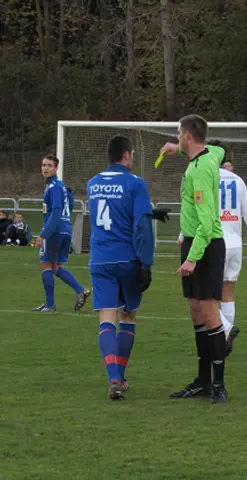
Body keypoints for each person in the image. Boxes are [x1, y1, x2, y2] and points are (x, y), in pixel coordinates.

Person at [161, 114, 229, 404]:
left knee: (210, 314)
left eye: (178, 133)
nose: (177, 136)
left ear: (187, 135)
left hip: (205, 246)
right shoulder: (210, 155)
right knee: (196, 312)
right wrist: (178, 151)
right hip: (193, 242)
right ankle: (202, 381)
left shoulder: (198, 171)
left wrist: (191, 258)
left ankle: (218, 386)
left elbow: (207, 221)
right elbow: (219, 150)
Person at [178, 147, 247, 355]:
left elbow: (196, 210)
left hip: (213, 241)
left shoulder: (203, 174)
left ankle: (224, 330)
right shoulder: (238, 180)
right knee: (227, 292)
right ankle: (223, 343)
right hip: (235, 244)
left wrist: (183, 236)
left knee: (204, 296)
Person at [87, 136, 155, 400]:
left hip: (100, 258)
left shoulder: (92, 183)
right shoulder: (135, 183)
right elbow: (141, 226)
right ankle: (120, 377)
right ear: (126, 156)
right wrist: (146, 264)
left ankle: (114, 378)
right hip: (127, 259)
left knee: (106, 318)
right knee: (128, 316)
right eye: (133, 154)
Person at [32, 154, 90, 312]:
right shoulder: (61, 186)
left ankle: (50, 305)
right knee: (55, 266)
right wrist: (64, 219)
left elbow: (56, 211)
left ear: (56, 168)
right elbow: (70, 203)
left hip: (55, 230)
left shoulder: (54, 187)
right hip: (64, 229)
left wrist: (44, 233)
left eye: (49, 165)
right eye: (44, 165)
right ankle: (80, 290)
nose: (45, 168)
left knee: (45, 264)